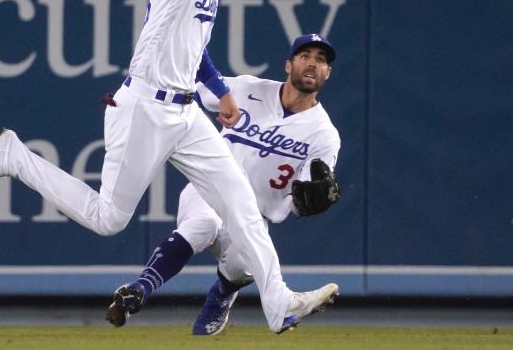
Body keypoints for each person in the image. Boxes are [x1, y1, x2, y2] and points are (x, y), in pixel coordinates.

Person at [0, 0, 350, 334]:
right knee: (109, 219)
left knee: (241, 201)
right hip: (145, 104)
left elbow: (194, 46)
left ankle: (278, 303)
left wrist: (220, 90)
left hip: (185, 111)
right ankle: (13, 157)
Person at [105, 33, 342, 334]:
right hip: (208, 189)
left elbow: (303, 200)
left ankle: (222, 294)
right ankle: (139, 289)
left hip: (252, 218)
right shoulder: (246, 89)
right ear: (288, 64)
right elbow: (192, 82)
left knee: (241, 271)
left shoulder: (324, 135)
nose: (312, 64)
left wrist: (311, 201)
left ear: (327, 73)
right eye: (305, 56)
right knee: (201, 225)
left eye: (321, 60)